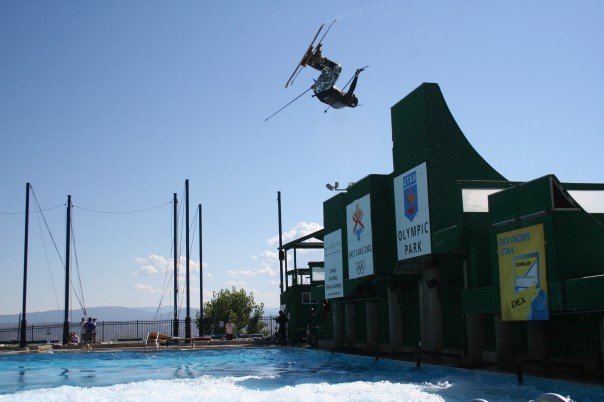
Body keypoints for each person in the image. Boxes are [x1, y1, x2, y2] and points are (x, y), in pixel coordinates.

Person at [302, 44, 365, 109]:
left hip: (324, 87)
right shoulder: (338, 104)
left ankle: (319, 58)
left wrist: (357, 75)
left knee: (338, 68)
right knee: (328, 71)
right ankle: (310, 61)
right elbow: (322, 100)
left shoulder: (346, 100)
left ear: (351, 101)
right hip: (319, 88)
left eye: (352, 96)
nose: (351, 95)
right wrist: (315, 89)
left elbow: (352, 88)